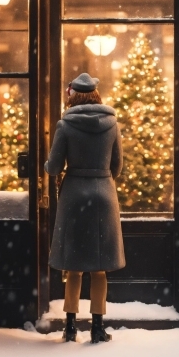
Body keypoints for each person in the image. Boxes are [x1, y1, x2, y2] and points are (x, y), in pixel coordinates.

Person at [44, 72, 126, 343]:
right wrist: (101, 176)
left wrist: (49, 164)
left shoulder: (65, 125)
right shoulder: (112, 123)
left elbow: (54, 167)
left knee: (75, 266)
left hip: (74, 196)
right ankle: (98, 327)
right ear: (96, 95)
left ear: (73, 96)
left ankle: (69, 326)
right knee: (99, 267)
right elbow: (118, 166)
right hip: (103, 193)